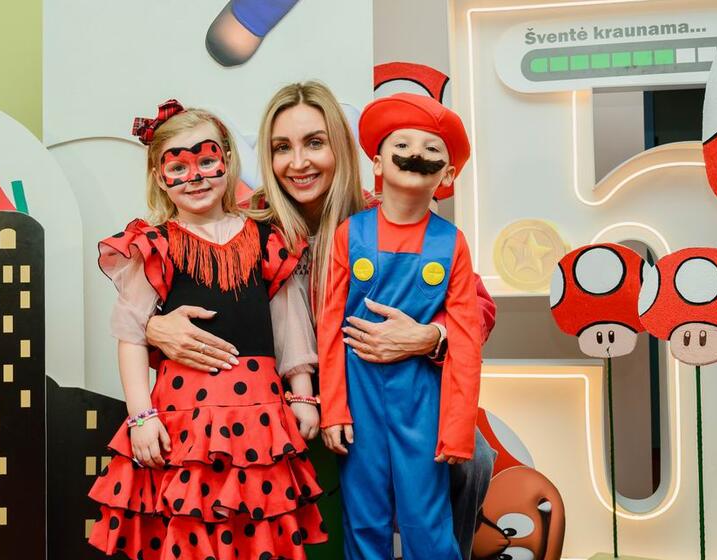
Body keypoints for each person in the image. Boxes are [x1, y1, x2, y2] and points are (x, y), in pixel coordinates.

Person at [145, 82, 497, 559]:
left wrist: (430, 336)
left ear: (343, 148)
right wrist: (153, 325)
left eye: (314, 143)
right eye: (281, 148)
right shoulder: (246, 225)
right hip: (280, 397)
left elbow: (477, 306)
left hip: (391, 387)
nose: (299, 162)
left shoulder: (382, 212)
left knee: (474, 457)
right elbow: (169, 280)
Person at [88, 99, 327, 560]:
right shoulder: (153, 245)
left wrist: (301, 393)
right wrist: (141, 417)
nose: (195, 176)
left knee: (255, 528)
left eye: (206, 160)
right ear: (159, 176)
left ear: (228, 160)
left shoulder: (267, 237)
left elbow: (289, 320)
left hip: (259, 415)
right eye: (178, 166)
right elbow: (131, 334)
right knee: (192, 529)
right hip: (184, 418)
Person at [318, 92, 482, 559]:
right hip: (359, 399)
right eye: (403, 144)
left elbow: (466, 340)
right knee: (364, 517)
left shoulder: (453, 243)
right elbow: (329, 326)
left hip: (422, 401)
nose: (417, 154)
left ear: (447, 175)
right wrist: (334, 410)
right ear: (377, 163)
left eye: (432, 149)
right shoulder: (350, 234)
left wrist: (457, 430)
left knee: (426, 521)